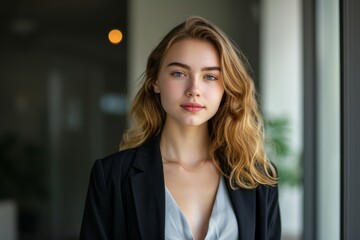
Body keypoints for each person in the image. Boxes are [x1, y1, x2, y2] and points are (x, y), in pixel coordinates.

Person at [80, 16, 281, 240]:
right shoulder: (112, 177)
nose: (194, 89)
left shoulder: (257, 178)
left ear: (226, 87)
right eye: (179, 73)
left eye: (210, 76)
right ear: (155, 81)